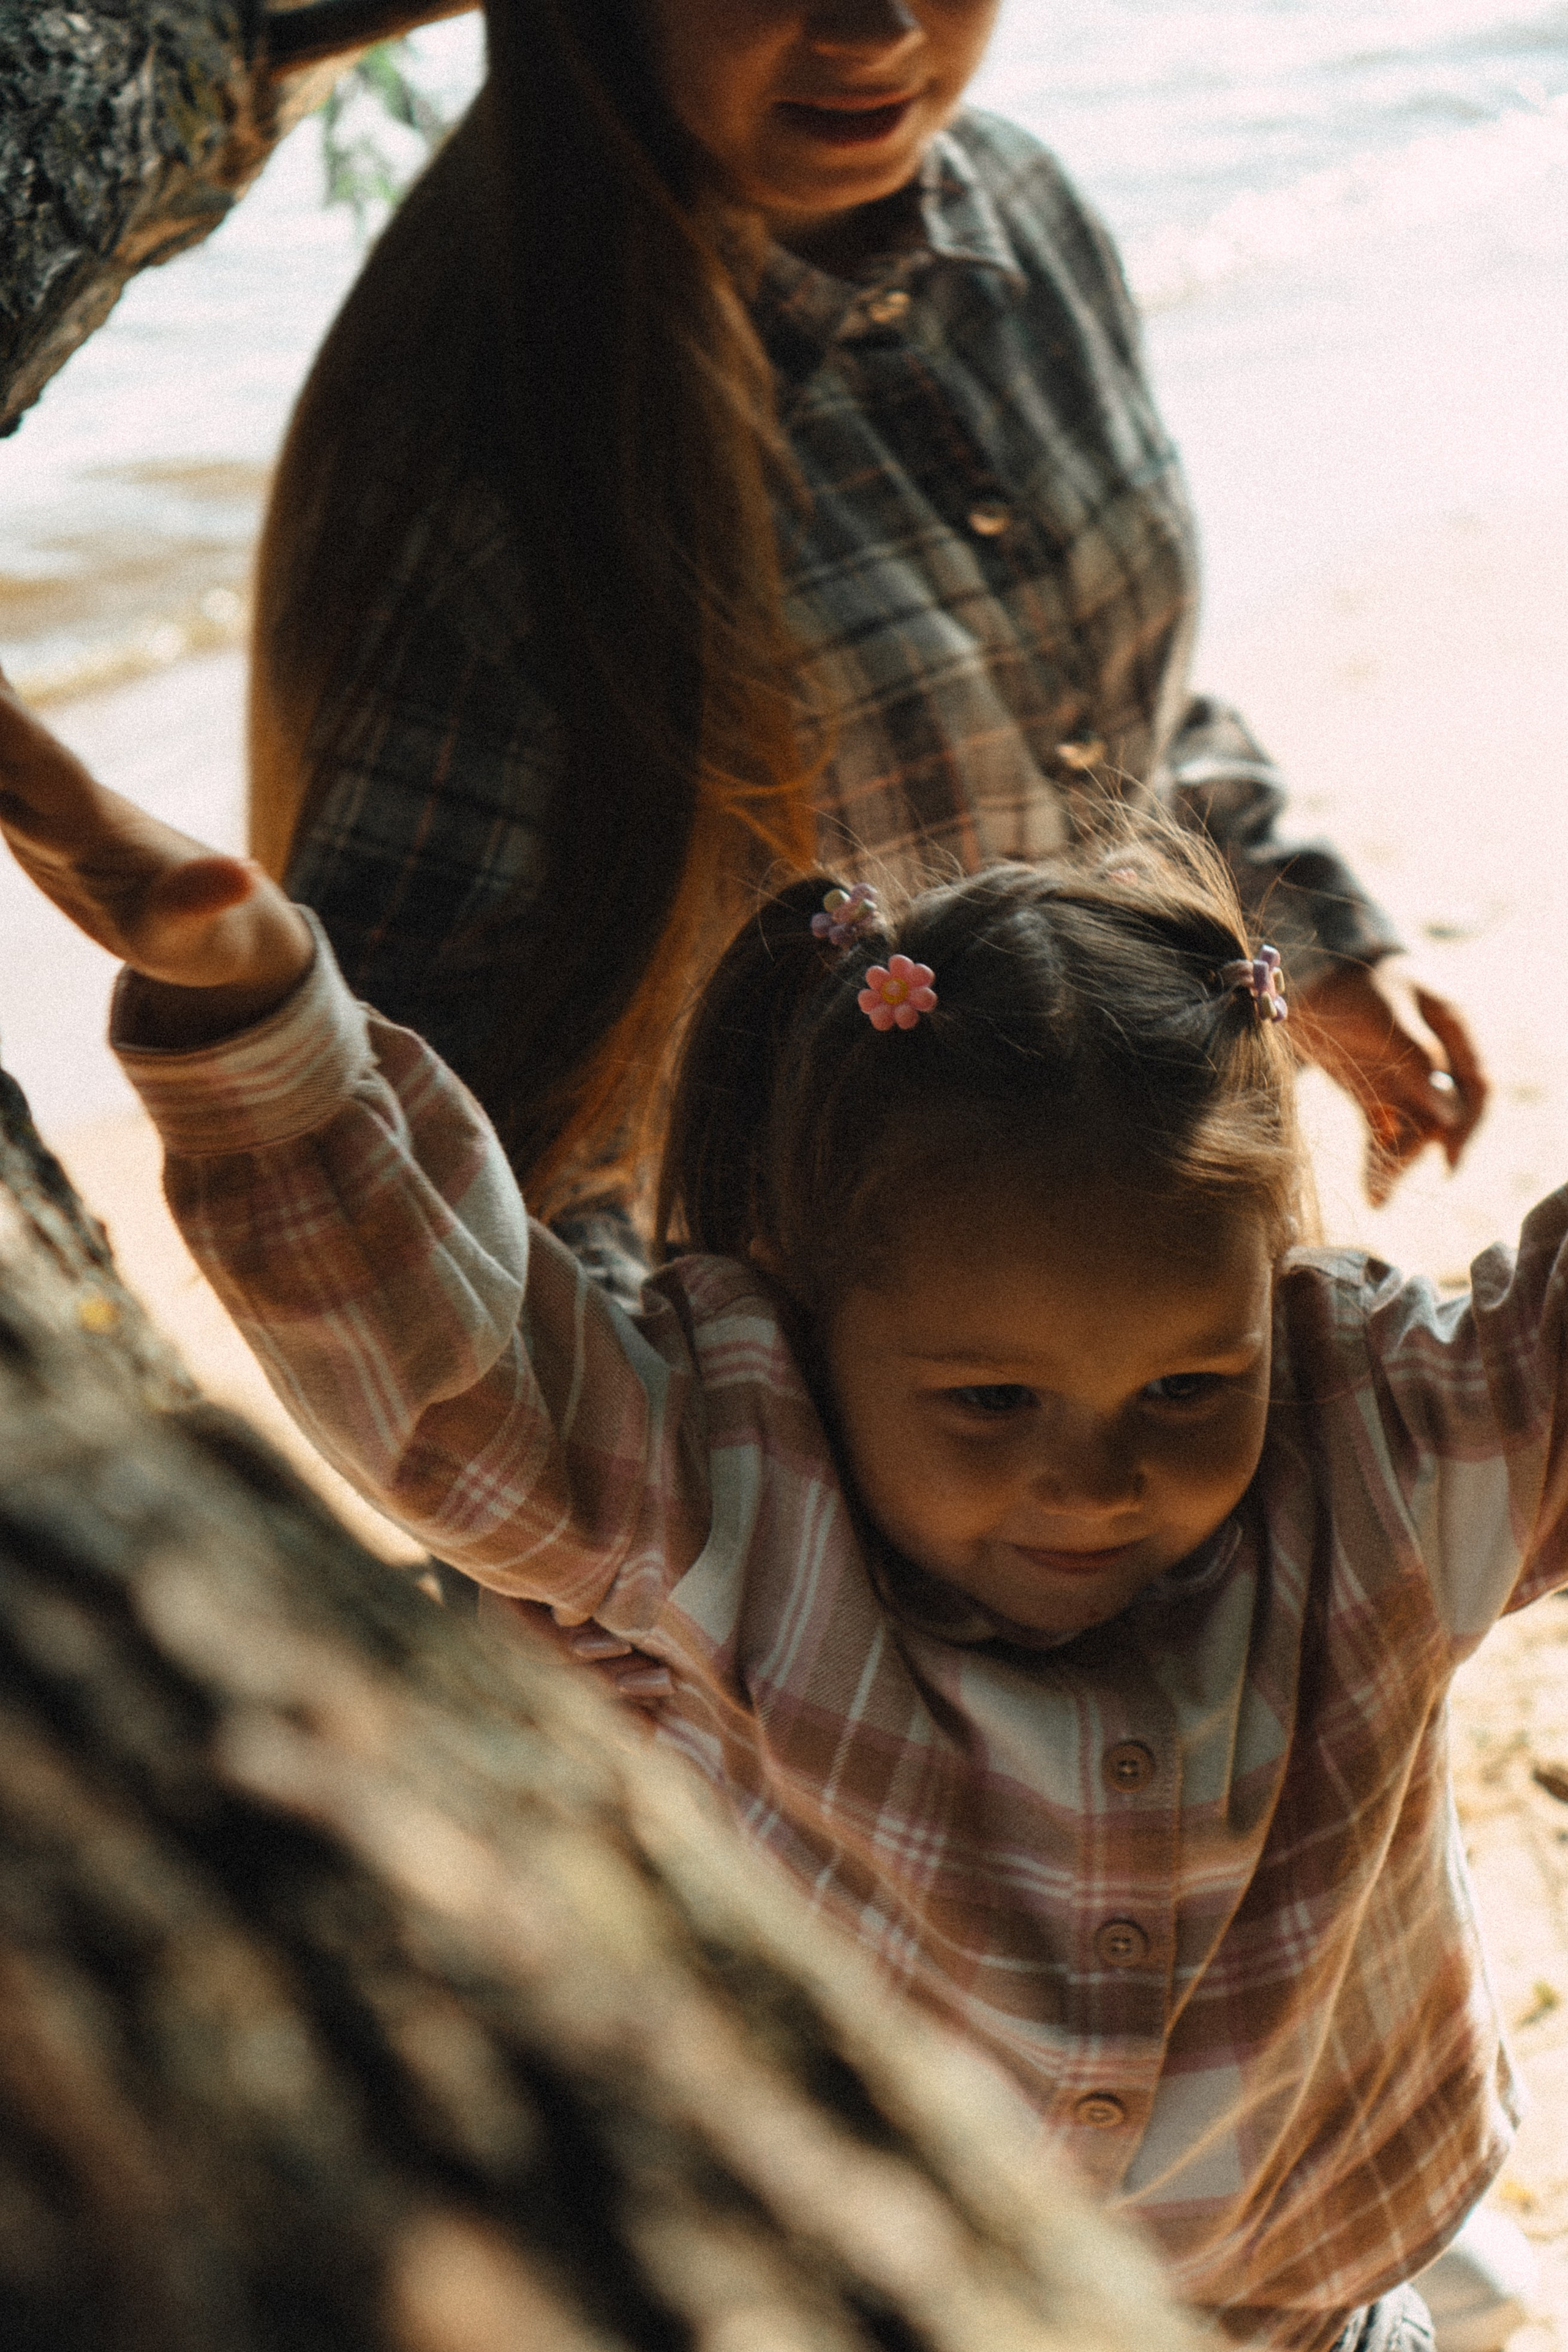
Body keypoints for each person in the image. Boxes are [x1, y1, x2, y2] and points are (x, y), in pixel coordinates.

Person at [3, 680, 1555, 2352]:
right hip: (887, 2301)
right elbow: (444, 1361)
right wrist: (258, 1015)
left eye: (1189, 1388)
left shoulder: (1379, 1442)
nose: (1095, 1481)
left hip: (1311, 2311)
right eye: (990, 1403)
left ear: (1275, 1301)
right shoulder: (722, 1483)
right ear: (814, 1324)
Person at [250, 0, 1486, 1301]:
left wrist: (1311, 931)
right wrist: (717, 1434)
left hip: (1155, 1283)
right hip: (853, 1382)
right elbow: (404, 1128)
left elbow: (1111, 709)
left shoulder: (1022, 210)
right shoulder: (486, 461)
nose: (875, 27)